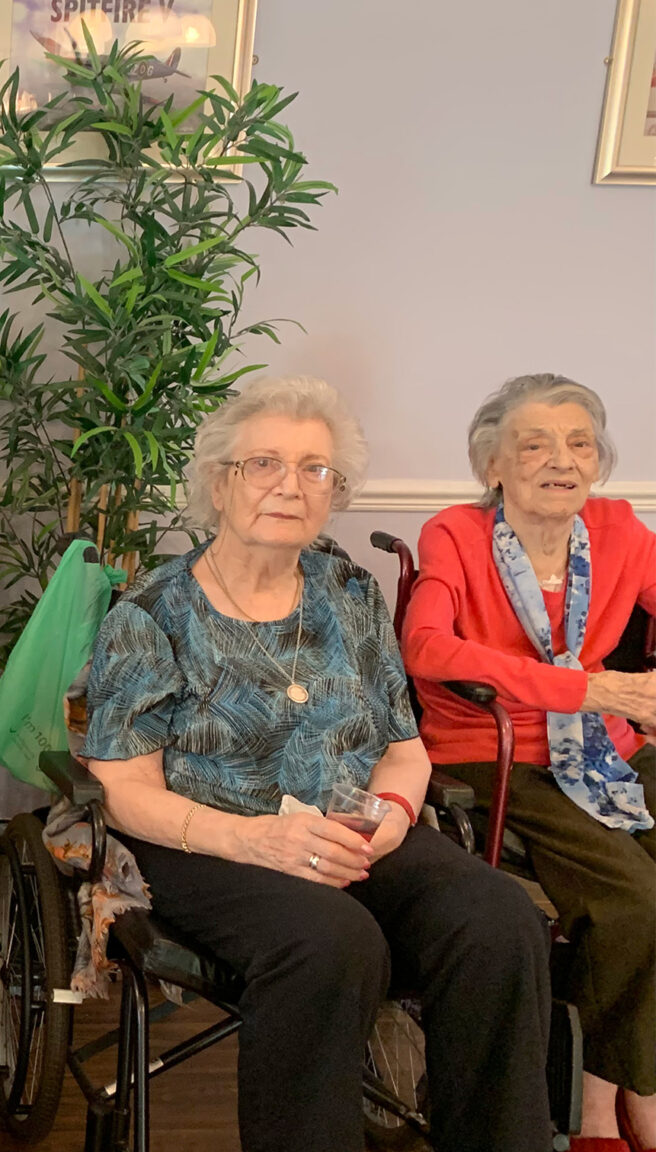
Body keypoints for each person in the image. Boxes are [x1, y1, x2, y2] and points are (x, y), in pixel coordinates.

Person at [80, 375, 553, 1152]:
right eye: (264, 464)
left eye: (315, 469)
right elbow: (124, 789)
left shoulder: (350, 594)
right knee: (331, 941)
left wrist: (389, 819)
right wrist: (256, 839)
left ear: (335, 492)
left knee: (499, 918)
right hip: (206, 843)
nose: (290, 486)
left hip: (350, 831)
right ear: (219, 484)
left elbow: (404, 753)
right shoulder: (152, 611)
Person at [403, 372, 656, 1151]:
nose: (562, 460)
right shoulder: (455, 533)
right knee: (633, 899)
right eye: (535, 444)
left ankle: (622, 1077)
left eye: (580, 443)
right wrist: (582, 688)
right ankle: (617, 1100)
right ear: (493, 464)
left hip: (605, 747)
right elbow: (426, 646)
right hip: (494, 751)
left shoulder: (619, 529)